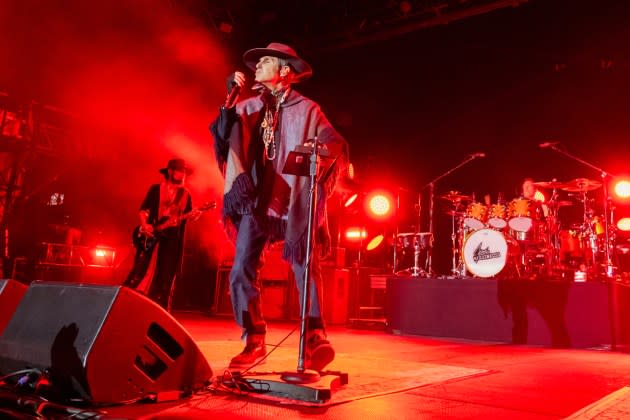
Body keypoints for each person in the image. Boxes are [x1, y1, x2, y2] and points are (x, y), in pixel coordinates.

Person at [210, 42, 348, 371]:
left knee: (306, 264)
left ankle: (314, 336)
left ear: (284, 71)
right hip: (255, 200)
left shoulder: (309, 110)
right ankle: (253, 339)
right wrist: (227, 104)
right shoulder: (247, 106)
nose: (257, 66)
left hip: (293, 200)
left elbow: (336, 142)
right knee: (242, 268)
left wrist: (317, 152)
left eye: (265, 61)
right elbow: (222, 138)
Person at [124, 158, 194, 312]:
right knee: (140, 270)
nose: (182, 174)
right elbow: (143, 211)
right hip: (152, 236)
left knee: (166, 276)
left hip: (172, 241)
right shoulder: (156, 189)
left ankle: (161, 312)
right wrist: (145, 225)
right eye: (179, 170)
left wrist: (195, 215)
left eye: (184, 172)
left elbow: (188, 216)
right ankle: (131, 306)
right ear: (170, 171)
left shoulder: (185, 195)